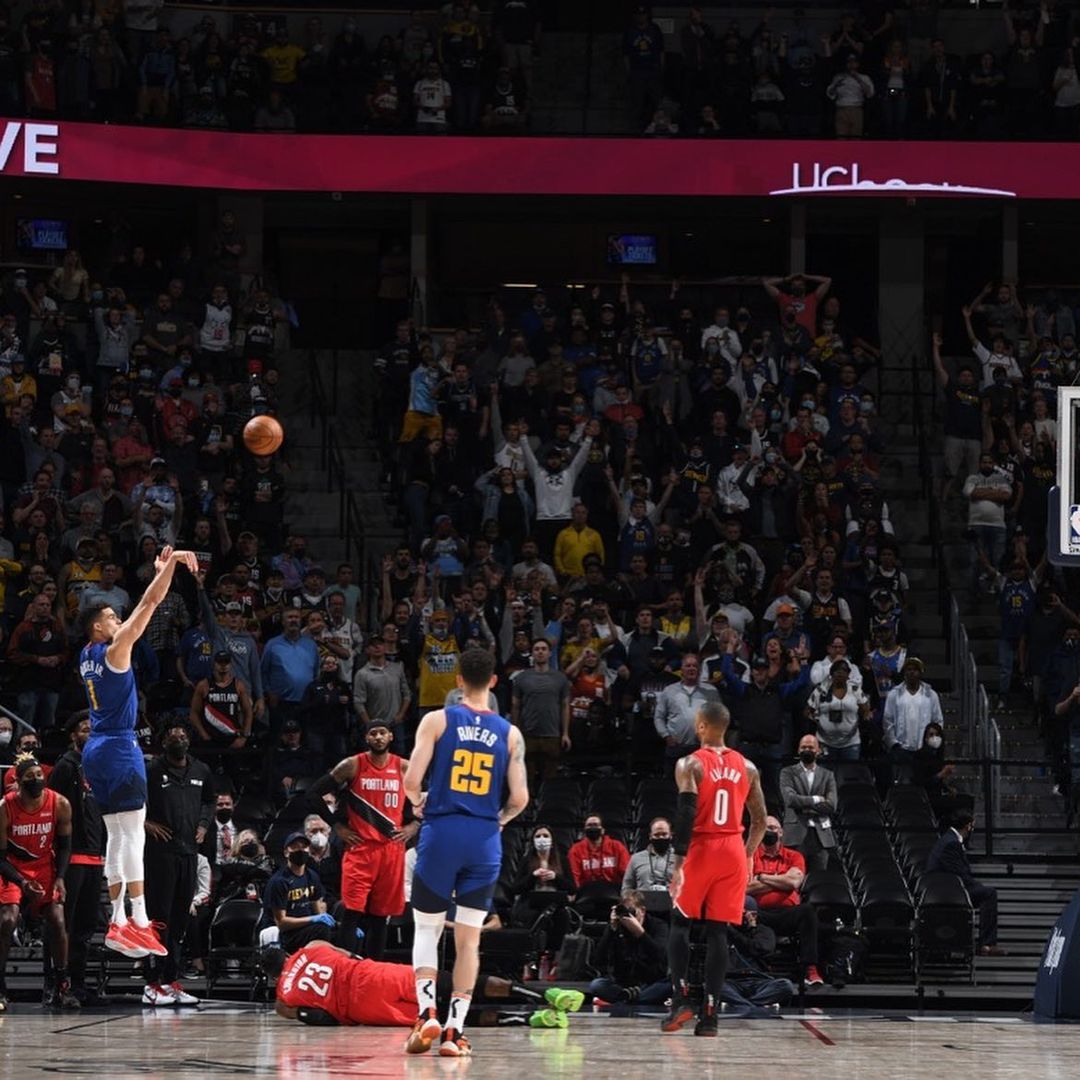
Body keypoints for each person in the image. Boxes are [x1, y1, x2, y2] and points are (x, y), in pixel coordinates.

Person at [404, 647, 529, 1057]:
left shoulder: (437, 720)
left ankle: (427, 1013)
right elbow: (521, 798)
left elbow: (411, 779)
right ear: (493, 682)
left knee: (427, 929)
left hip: (442, 831)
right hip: (483, 839)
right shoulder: (510, 734)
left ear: (459, 680)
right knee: (469, 941)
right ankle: (455, 1031)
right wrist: (499, 820)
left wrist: (419, 802)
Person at [78, 544, 199, 959]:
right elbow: (150, 602)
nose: (118, 618)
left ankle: (116, 920)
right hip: (118, 745)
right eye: (110, 616)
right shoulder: (114, 650)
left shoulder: (86, 656)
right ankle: (142, 921)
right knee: (132, 835)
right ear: (97, 626)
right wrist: (168, 568)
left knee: (115, 836)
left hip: (94, 748)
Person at [664, 701, 767, 1037]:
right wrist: (748, 855)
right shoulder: (748, 767)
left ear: (702, 726)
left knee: (680, 923)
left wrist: (678, 863)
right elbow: (761, 821)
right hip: (733, 849)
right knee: (718, 931)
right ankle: (711, 1015)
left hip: (702, 847)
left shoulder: (690, 763)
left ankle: (680, 999)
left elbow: (685, 814)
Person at [267, 938, 582, 1028]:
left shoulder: (284, 998)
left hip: (363, 1008)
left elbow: (317, 1018)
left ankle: (534, 1019)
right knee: (449, 984)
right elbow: (352, 955)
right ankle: (548, 994)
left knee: (445, 1019)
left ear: (271, 976)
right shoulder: (312, 946)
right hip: (374, 976)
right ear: (286, 952)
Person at [310, 721, 418, 960]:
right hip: (361, 848)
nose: (378, 737)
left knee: (381, 917)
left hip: (391, 850)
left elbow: (427, 800)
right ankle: (346, 968)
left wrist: (413, 826)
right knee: (352, 912)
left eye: (382, 733)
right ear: (367, 738)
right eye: (373, 733)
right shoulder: (352, 765)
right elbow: (314, 793)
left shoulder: (404, 767)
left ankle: (373, 970)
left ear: (390, 736)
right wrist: (337, 826)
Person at [141, 721, 214, 1006]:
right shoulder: (150, 770)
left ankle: (171, 981)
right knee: (159, 919)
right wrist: (146, 823)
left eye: (183, 735)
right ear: (163, 741)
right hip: (160, 855)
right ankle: (151, 982)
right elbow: (132, 802)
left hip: (188, 853)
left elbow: (209, 801)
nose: (179, 738)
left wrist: (205, 825)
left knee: (181, 919)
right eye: (173, 734)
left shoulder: (201, 770)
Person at [0, 753, 76, 1011]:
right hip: (12, 868)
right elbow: (0, 858)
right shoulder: (5, 807)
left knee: (57, 918)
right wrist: (21, 883)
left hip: (45, 866)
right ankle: (1, 986)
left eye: (39, 775)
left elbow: (65, 846)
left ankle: (62, 986)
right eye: (30, 777)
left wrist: (61, 878)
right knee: (7, 919)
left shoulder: (60, 803)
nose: (36, 780)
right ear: (18, 782)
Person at [46, 712, 105, 1004]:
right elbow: (52, 812)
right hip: (71, 858)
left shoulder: (97, 765)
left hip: (95, 857)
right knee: (62, 926)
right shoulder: (66, 767)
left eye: (93, 729)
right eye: (84, 729)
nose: (90, 734)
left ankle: (79, 984)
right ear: (74, 736)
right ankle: (56, 985)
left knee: (84, 928)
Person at [747, 816, 824, 989]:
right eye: (766, 828)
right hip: (760, 913)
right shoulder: (750, 857)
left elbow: (794, 883)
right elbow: (746, 888)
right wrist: (781, 881)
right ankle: (755, 972)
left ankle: (810, 969)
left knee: (808, 911)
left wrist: (762, 878)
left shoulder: (794, 856)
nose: (770, 832)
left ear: (781, 832)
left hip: (787, 914)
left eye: (774, 828)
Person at [926, 810, 1006, 956]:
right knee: (989, 893)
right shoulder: (951, 843)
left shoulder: (949, 839)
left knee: (984, 891)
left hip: (948, 887)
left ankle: (986, 943)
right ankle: (987, 944)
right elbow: (959, 874)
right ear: (968, 826)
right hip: (948, 891)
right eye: (972, 826)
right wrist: (977, 886)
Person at [588, 889, 670, 1007]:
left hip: (651, 982)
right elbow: (598, 959)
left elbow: (660, 955)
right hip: (623, 984)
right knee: (597, 985)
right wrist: (612, 929)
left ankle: (624, 1000)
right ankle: (632, 999)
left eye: (632, 911)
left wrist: (640, 934)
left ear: (642, 911)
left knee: (669, 986)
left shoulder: (659, 926)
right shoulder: (617, 926)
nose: (628, 915)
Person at [262, 832, 336, 953]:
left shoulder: (312, 876)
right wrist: (313, 919)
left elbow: (319, 912)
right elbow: (281, 923)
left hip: (307, 929)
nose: (300, 850)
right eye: (295, 847)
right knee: (321, 929)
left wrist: (338, 925)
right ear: (286, 852)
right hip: (286, 934)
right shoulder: (280, 881)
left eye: (304, 847)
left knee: (345, 932)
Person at [779, 735, 838, 872]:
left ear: (818, 751)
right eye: (803, 747)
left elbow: (831, 805)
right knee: (793, 880)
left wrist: (803, 804)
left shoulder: (828, 775)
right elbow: (790, 800)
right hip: (795, 835)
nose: (807, 750)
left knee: (819, 880)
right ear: (798, 750)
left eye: (810, 747)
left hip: (820, 836)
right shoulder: (787, 772)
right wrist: (816, 799)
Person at [622, 817, 675, 893]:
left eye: (664, 834)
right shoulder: (636, 858)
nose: (660, 837)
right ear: (650, 836)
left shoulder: (681, 859)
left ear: (671, 835)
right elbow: (627, 888)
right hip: (643, 903)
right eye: (656, 835)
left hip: (673, 903)